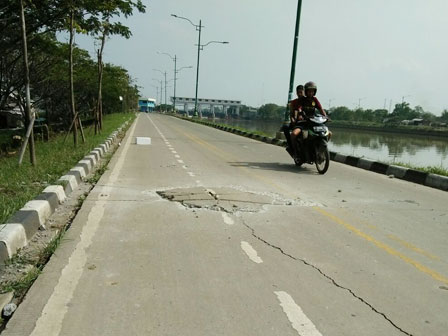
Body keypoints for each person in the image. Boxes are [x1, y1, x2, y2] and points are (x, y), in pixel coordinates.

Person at [290, 81, 327, 159]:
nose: (311, 93)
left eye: (312, 91)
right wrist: (300, 115)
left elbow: (321, 109)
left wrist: (325, 116)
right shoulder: (302, 100)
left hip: (313, 122)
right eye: (309, 91)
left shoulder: (315, 100)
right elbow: (299, 108)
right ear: (306, 92)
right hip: (303, 122)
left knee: (329, 133)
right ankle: (295, 151)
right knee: (294, 134)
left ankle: (321, 150)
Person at [282, 85, 304, 156]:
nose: (300, 94)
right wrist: (293, 120)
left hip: (305, 123)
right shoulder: (294, 102)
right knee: (285, 127)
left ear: (304, 92)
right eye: (298, 92)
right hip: (296, 123)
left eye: (301, 92)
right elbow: (291, 115)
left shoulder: (308, 101)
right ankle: (291, 146)